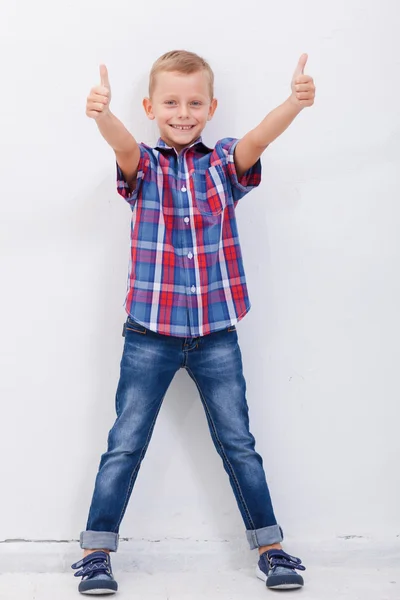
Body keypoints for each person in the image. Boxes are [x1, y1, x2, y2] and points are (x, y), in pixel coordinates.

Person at [71, 50, 315, 595]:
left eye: (194, 102)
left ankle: (271, 547)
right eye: (171, 103)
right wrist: (101, 115)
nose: (183, 112)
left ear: (211, 107)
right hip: (149, 335)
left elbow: (259, 139)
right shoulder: (146, 166)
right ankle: (95, 552)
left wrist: (293, 105)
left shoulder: (224, 163)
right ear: (151, 107)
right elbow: (120, 145)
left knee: (238, 441)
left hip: (215, 336)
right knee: (125, 443)